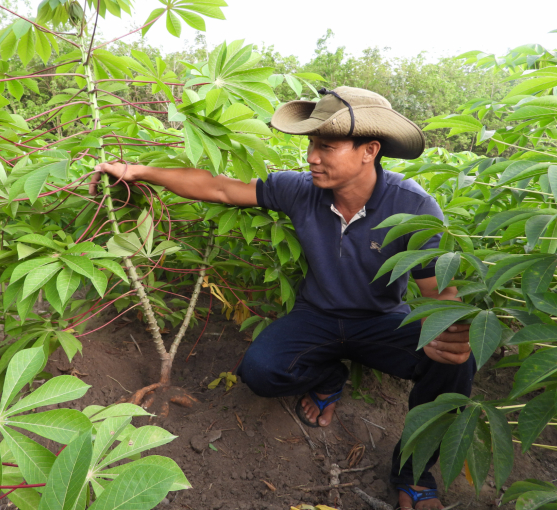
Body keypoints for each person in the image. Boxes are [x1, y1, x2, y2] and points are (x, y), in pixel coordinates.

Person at [89, 86, 475, 510]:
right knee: (260, 371)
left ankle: (415, 475)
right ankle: (329, 378)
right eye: (310, 144)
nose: (311, 157)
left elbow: (440, 297)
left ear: (369, 150)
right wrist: (139, 171)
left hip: (381, 320)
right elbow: (219, 188)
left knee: (455, 366)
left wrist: (454, 335)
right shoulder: (301, 190)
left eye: (325, 147)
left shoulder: (412, 208)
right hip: (318, 317)